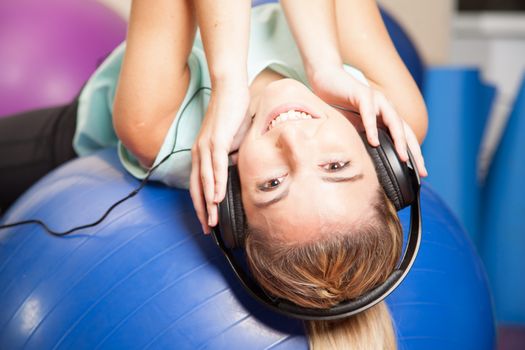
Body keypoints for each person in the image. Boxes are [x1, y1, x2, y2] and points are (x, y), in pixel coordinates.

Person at [0, 0, 428, 349]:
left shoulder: (153, 126)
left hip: (66, 147)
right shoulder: (395, 118)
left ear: (232, 202)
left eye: (273, 184)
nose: (295, 141)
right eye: (335, 166)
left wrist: (230, 83)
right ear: (382, 161)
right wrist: (324, 66)